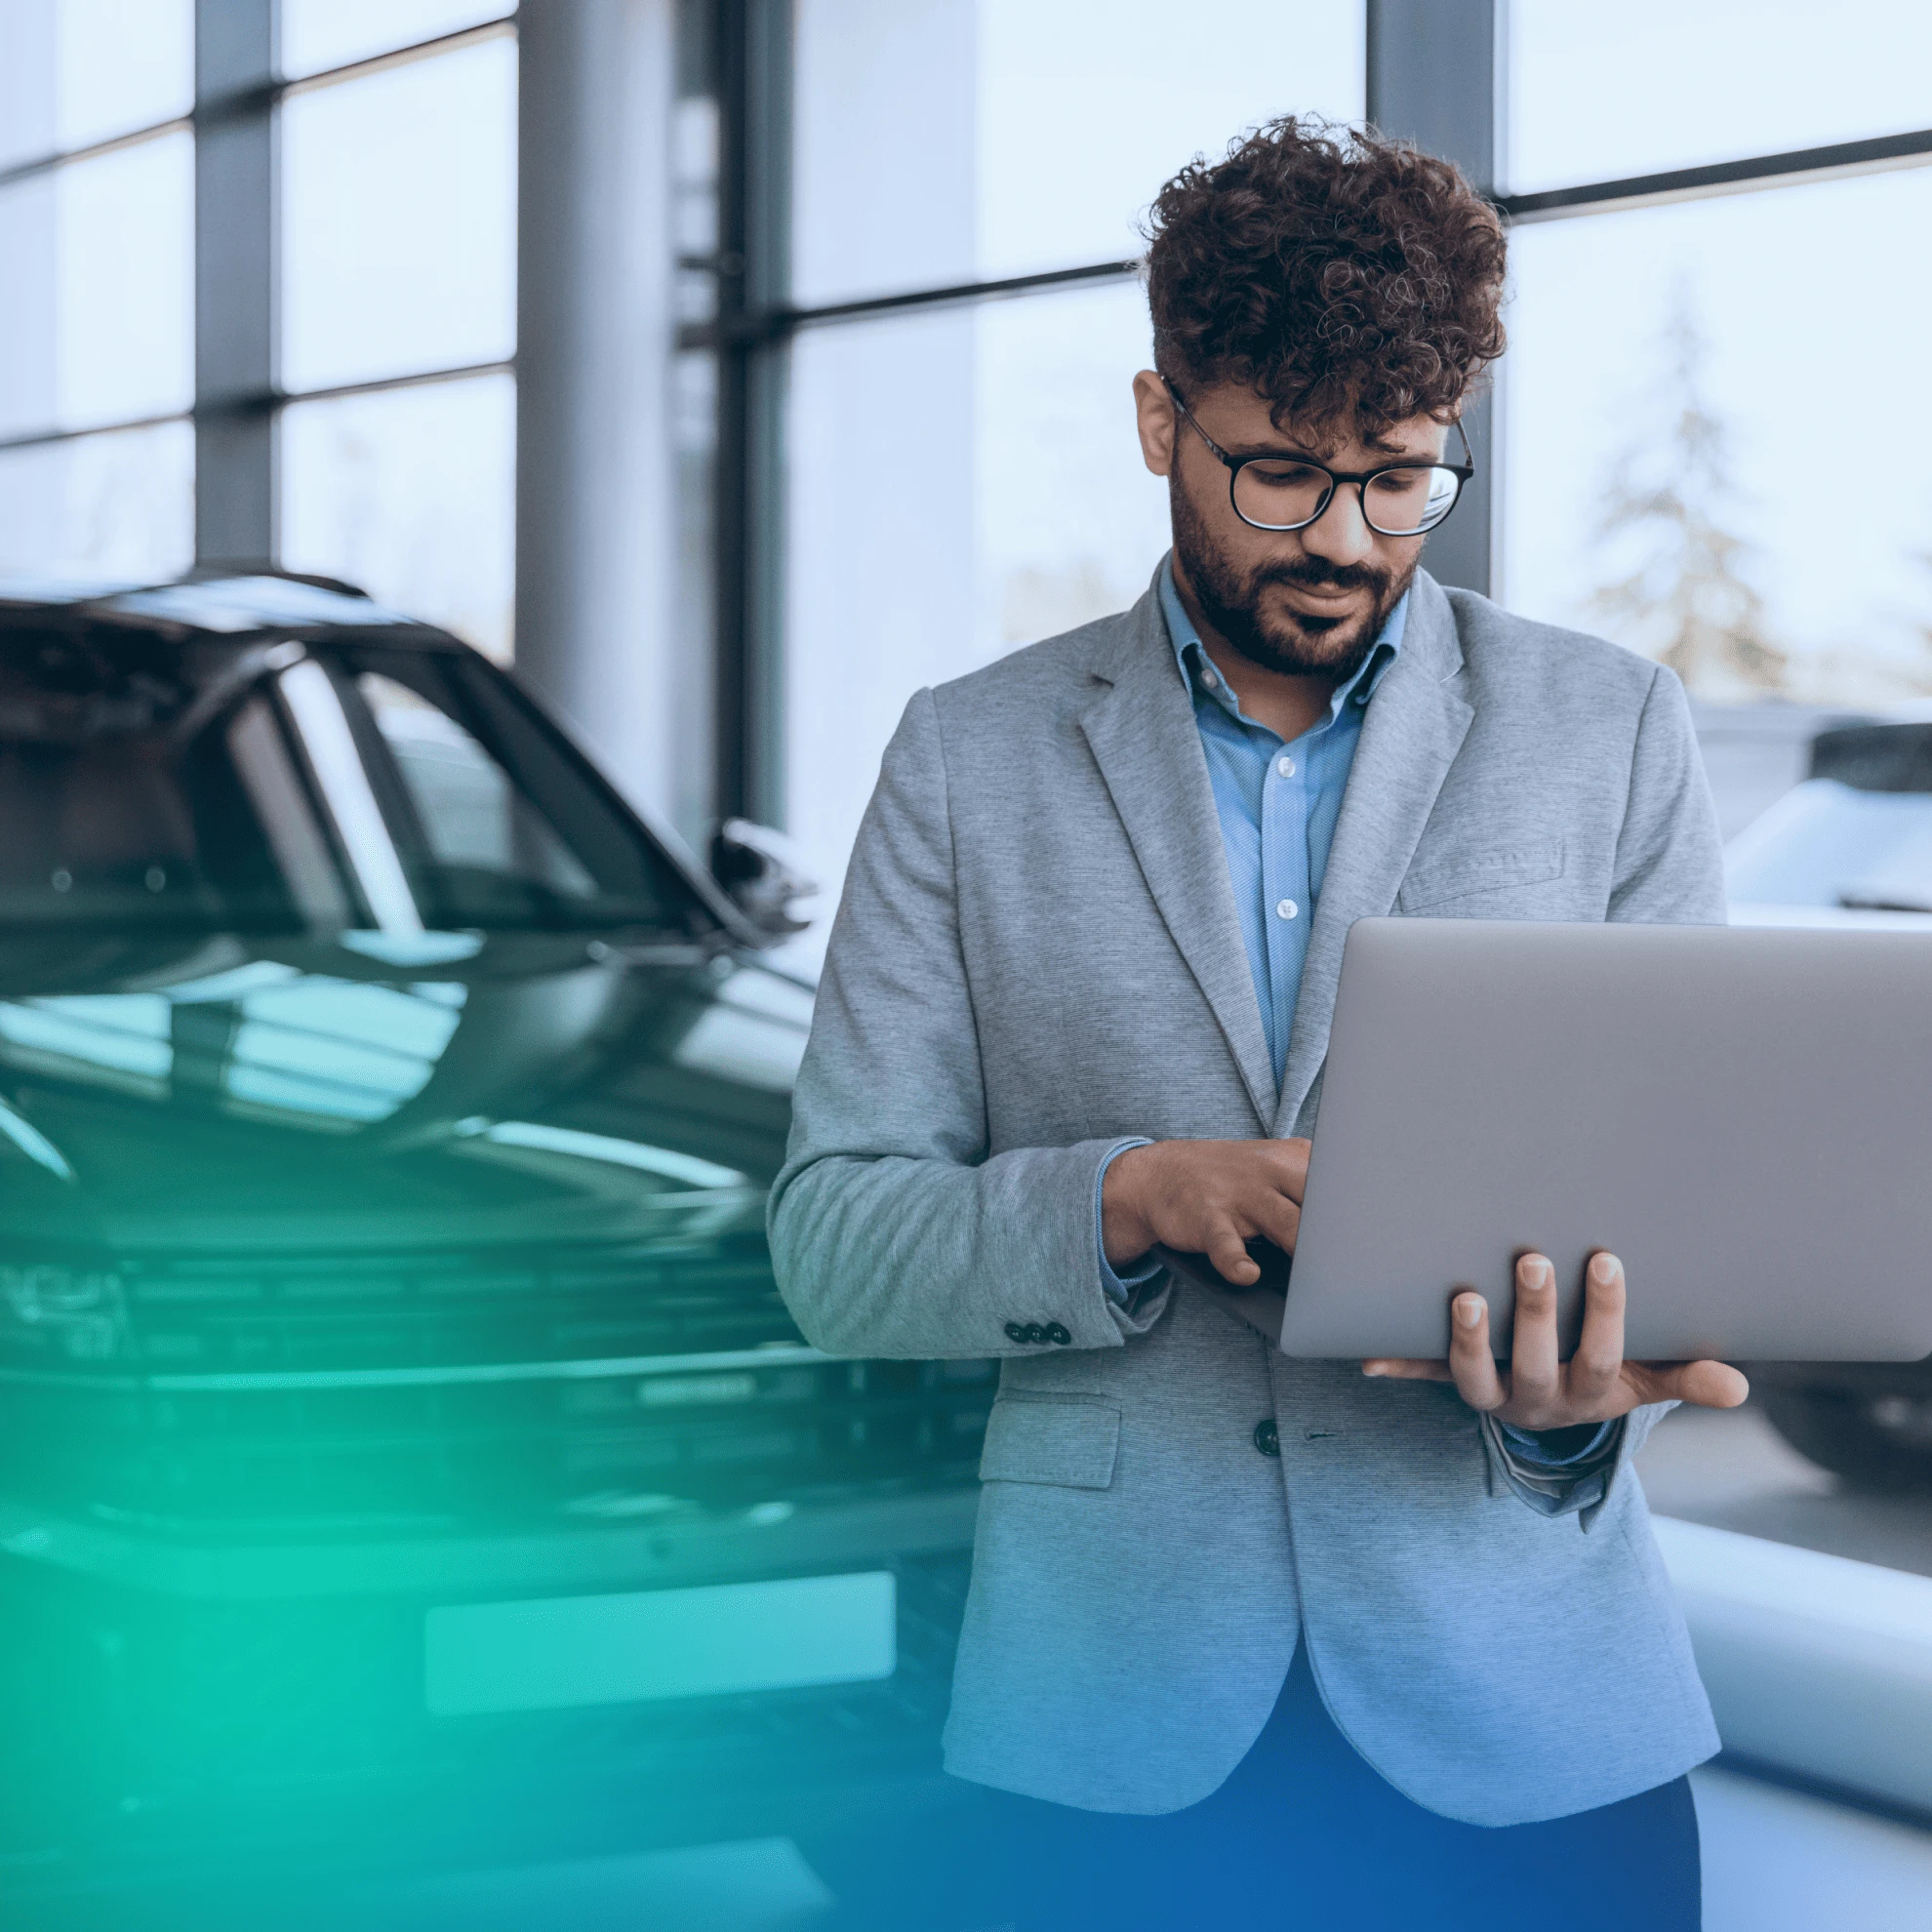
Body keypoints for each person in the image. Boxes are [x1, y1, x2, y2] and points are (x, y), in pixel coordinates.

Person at [770, 118, 1747, 1931]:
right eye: (1280, 476)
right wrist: (1127, 1196)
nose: (1345, 540)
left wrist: (1572, 1412)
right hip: (1113, 1723)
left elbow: (1677, 1227)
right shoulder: (969, 757)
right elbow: (835, 1239)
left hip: (1527, 1720)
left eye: (1399, 480)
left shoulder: (1608, 731)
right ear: (1162, 424)